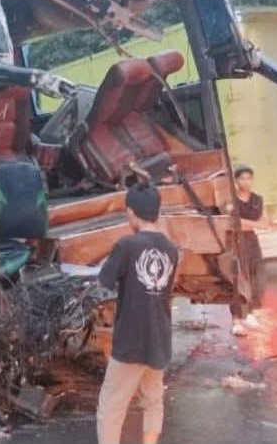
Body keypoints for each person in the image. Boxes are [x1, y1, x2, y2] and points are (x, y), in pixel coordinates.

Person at [96, 183, 179, 444]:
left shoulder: (127, 245)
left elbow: (104, 281)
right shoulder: (171, 249)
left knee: (111, 406)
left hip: (131, 340)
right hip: (159, 338)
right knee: (153, 401)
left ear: (131, 213)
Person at [230, 164, 269, 337]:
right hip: (235, 242)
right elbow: (232, 222)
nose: (246, 182)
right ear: (236, 181)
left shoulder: (258, 199)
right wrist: (253, 224)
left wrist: (245, 224)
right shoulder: (230, 200)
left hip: (252, 242)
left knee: (258, 279)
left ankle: (251, 313)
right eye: (242, 178)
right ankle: (237, 321)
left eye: (249, 178)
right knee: (238, 281)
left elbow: (265, 223)